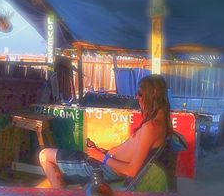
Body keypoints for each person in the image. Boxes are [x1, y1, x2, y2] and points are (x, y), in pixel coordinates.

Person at [39, 75, 173, 188]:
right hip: (106, 163)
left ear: (153, 93)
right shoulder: (159, 123)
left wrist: (102, 157)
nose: (137, 97)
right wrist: (102, 152)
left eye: (140, 93)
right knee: (58, 159)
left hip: (105, 168)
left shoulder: (151, 127)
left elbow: (131, 171)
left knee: (45, 156)